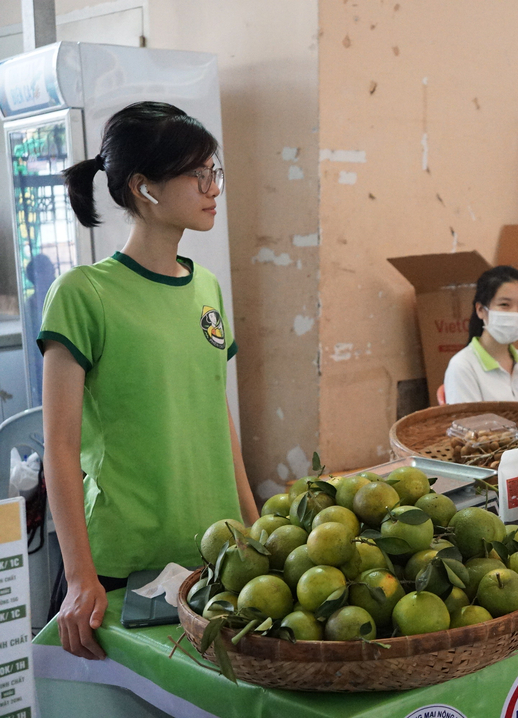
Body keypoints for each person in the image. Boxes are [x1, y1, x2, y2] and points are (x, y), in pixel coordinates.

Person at [40, 102, 258, 660]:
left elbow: (216, 410)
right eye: (198, 173)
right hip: (122, 566)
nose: (214, 187)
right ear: (145, 187)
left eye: (216, 172)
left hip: (215, 555)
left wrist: (254, 527)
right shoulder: (83, 294)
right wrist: (80, 575)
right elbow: (60, 449)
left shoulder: (206, 286)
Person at [443, 265, 518, 404]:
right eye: (504, 304)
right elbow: (469, 424)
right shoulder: (463, 366)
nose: (515, 314)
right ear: (480, 310)